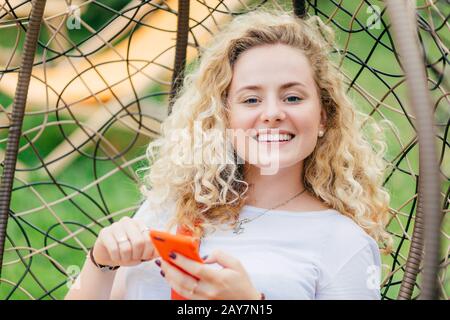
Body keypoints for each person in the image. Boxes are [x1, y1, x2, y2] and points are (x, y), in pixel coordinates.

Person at [65, 7, 394, 300]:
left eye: (292, 98)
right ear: (223, 116)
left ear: (323, 115)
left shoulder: (343, 243)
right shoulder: (172, 207)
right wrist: (101, 261)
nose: (272, 113)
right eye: (251, 99)